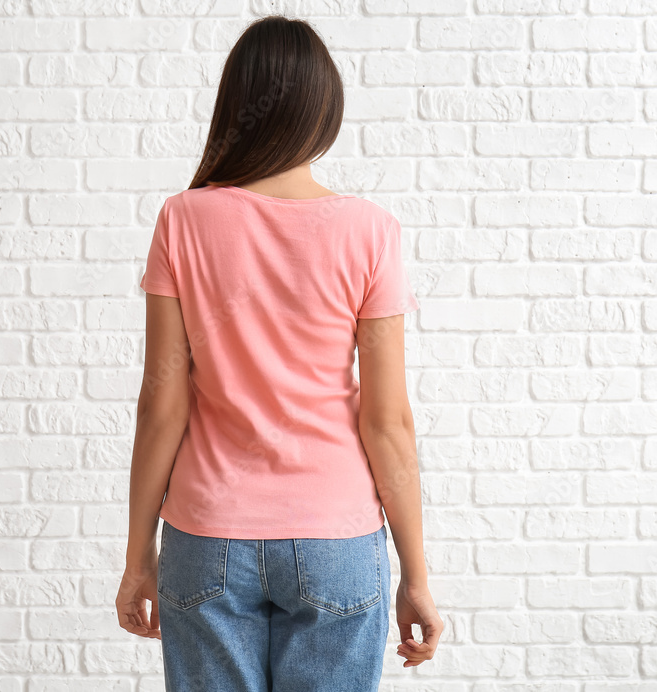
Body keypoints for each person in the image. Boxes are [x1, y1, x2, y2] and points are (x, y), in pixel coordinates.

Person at [115, 13, 443, 691]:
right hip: (337, 539)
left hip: (207, 540)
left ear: (236, 105)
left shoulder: (184, 218)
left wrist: (137, 554)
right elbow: (388, 423)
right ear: (324, 111)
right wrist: (415, 572)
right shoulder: (370, 232)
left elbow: (161, 402)